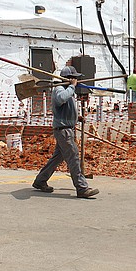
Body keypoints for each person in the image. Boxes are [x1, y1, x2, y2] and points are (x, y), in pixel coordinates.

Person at [33, 65, 99, 198]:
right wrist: (72, 86)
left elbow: (65, 109)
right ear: (68, 79)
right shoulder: (59, 89)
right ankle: (82, 188)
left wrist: (76, 118)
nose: (76, 80)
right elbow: (61, 99)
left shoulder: (67, 90)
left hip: (67, 129)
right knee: (74, 157)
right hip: (63, 131)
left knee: (57, 158)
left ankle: (40, 180)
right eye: (74, 78)